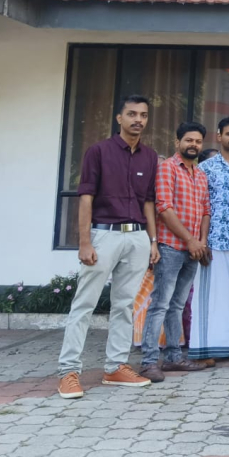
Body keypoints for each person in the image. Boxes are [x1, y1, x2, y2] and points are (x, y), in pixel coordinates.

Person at [57, 95, 160, 398]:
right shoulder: (98, 152)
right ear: (119, 118)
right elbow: (85, 197)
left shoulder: (150, 156)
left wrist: (152, 241)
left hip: (137, 236)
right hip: (104, 235)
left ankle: (115, 366)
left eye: (143, 115)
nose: (137, 119)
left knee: (125, 305)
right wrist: (84, 241)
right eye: (131, 114)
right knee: (84, 304)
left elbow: (149, 202)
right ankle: (68, 371)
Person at [139, 122, 211, 383]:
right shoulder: (167, 168)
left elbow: (205, 210)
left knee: (178, 305)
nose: (193, 145)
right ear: (177, 142)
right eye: (188, 140)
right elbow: (164, 208)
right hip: (171, 247)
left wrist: (201, 242)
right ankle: (148, 362)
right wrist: (191, 240)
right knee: (160, 303)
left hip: (193, 250)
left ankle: (173, 358)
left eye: (198, 141)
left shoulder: (200, 174)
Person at [189, 117, 229, 365]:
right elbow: (198, 207)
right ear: (219, 135)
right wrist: (199, 241)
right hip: (211, 242)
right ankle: (205, 351)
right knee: (208, 299)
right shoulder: (205, 168)